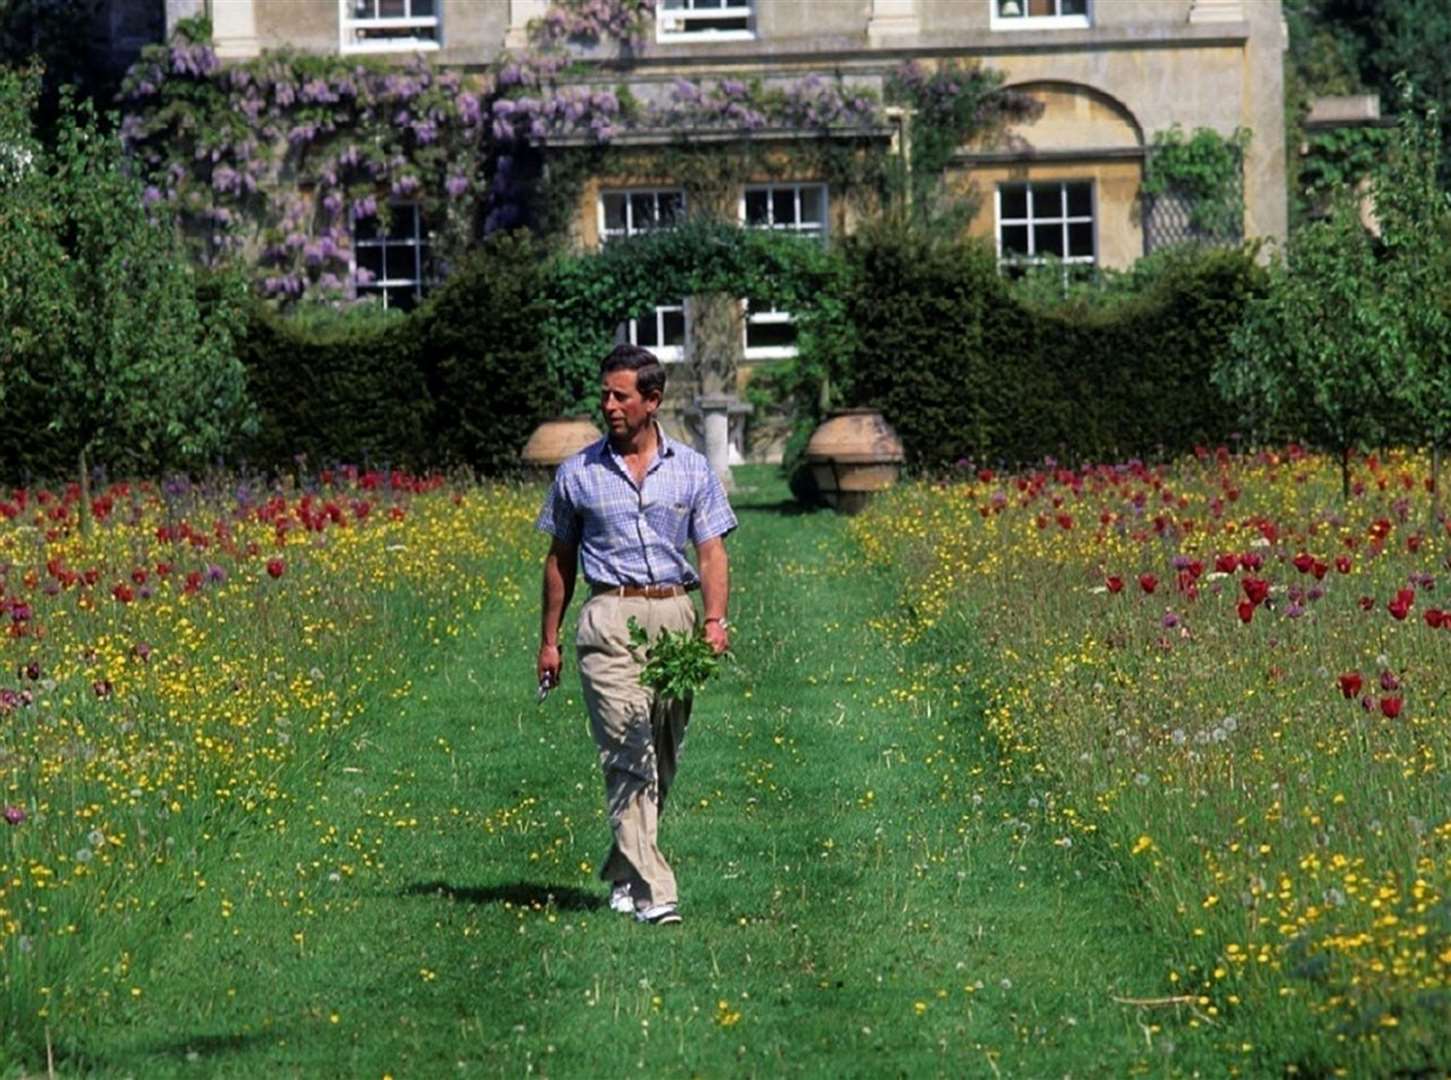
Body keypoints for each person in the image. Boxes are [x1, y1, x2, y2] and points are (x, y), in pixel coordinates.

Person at [535, 343, 736, 927]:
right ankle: (656, 892)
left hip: (675, 616)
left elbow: (712, 549)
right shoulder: (578, 472)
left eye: (620, 396)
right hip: (608, 618)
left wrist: (715, 621)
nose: (609, 406)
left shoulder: (693, 469)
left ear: (652, 401)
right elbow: (559, 560)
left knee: (662, 758)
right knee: (627, 750)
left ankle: (624, 870)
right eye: (605, 395)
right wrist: (549, 641)